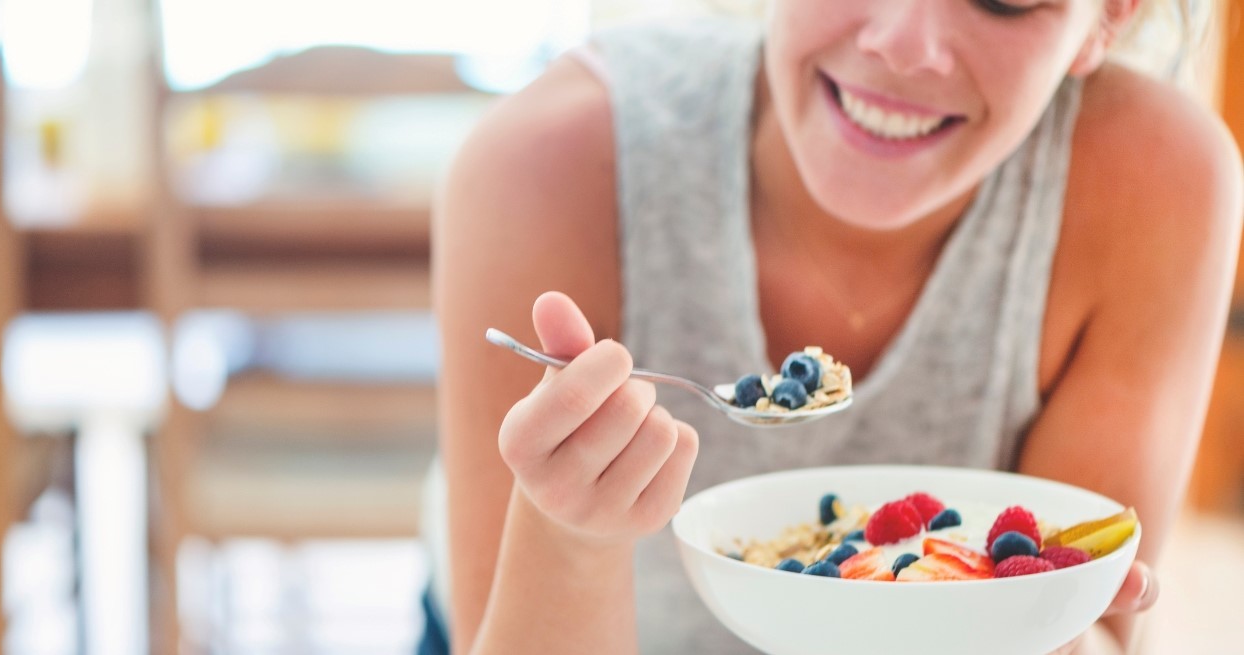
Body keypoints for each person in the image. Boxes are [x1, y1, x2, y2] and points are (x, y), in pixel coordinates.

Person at [423, 0, 1244, 652]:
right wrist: (568, 540)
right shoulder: (552, 161)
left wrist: (1054, 630)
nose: (903, 43)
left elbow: (1091, 623)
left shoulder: (1156, 185)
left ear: (1108, 17)